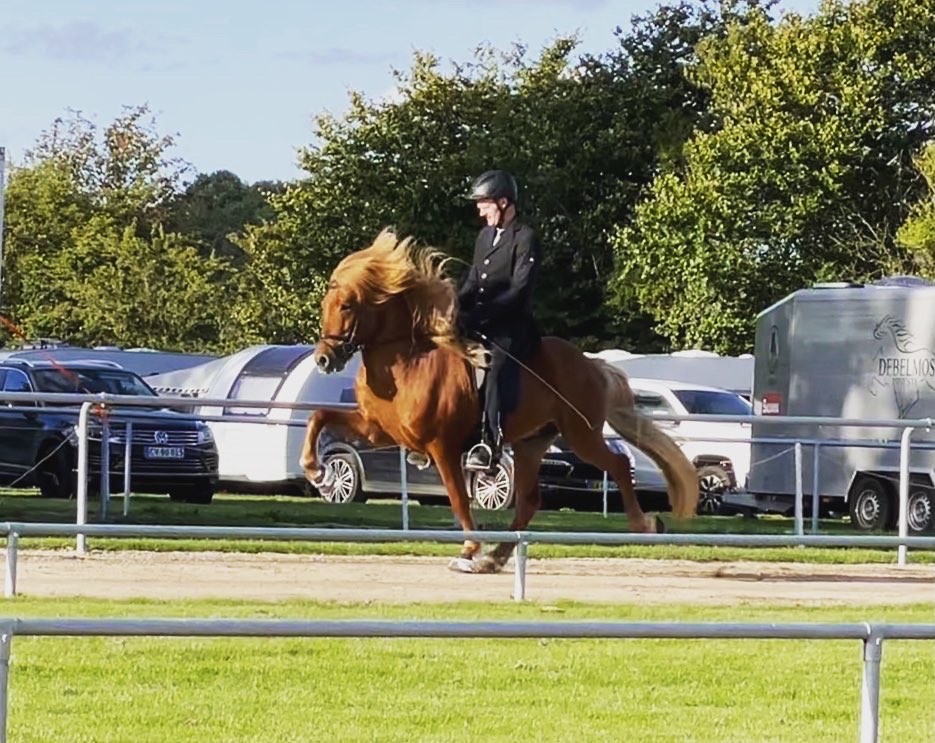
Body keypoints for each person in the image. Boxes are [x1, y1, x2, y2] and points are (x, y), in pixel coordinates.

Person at [456, 169, 542, 472]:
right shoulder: (484, 237)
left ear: (504, 202)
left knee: (494, 369)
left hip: (511, 325)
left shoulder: (525, 238)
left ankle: (489, 444)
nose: (480, 211)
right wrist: (453, 306)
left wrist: (479, 314)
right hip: (479, 321)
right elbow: (472, 281)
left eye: (484, 203)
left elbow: (519, 291)